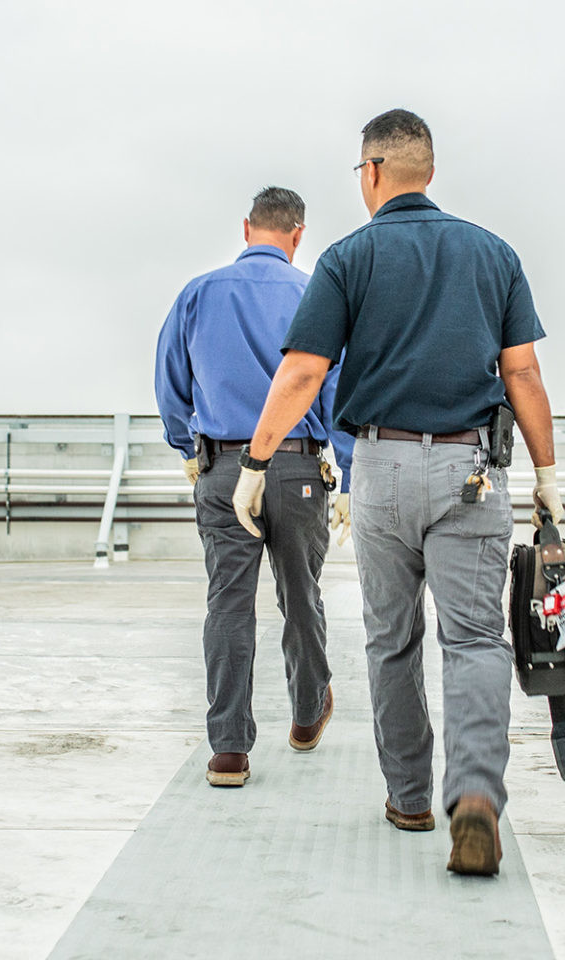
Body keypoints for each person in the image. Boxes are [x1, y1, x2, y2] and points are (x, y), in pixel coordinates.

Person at [229, 110, 563, 875]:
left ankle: (409, 798)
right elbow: (524, 374)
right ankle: (474, 796)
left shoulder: (350, 259)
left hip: (379, 471)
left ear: (372, 172)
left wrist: (256, 462)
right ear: (429, 172)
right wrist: (545, 473)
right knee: (475, 639)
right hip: (471, 472)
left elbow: (305, 373)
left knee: (392, 640)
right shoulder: (493, 254)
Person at [154, 186, 355, 789]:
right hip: (296, 468)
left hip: (221, 470)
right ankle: (304, 714)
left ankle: (229, 752)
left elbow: (171, 380)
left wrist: (187, 446)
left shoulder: (198, 293)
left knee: (228, 603)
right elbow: (339, 389)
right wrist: (344, 466)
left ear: (247, 228)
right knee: (300, 594)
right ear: (298, 235)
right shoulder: (315, 294)